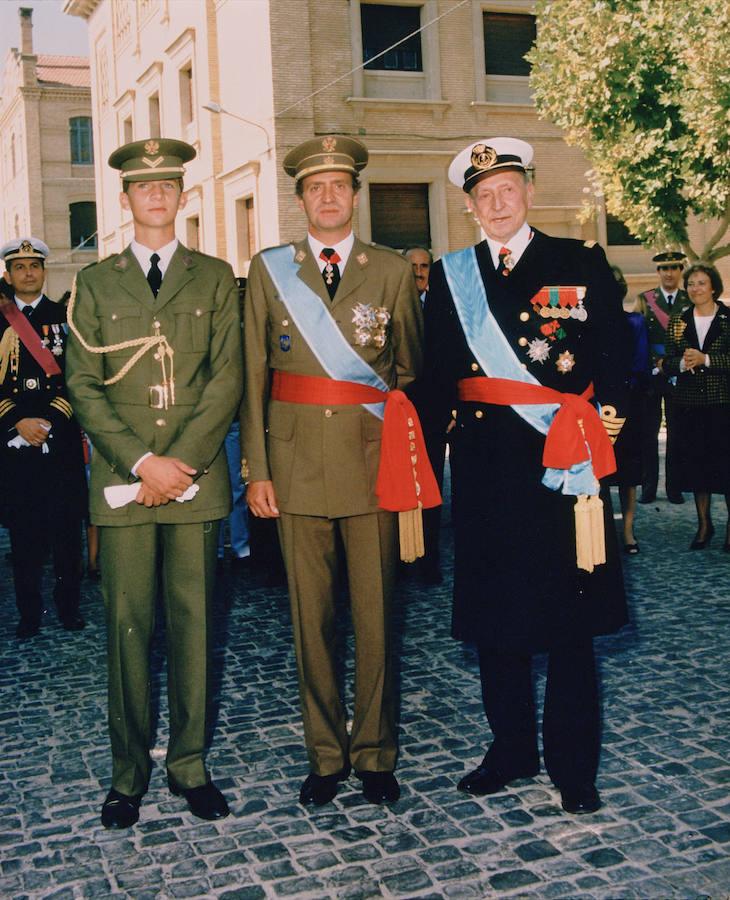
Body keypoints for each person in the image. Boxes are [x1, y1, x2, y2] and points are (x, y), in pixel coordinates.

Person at [423, 138, 630, 815]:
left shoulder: (578, 261)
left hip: (563, 468)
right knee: (496, 620)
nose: (497, 202)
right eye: (483, 195)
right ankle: (510, 748)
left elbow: (616, 359)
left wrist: (608, 428)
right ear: (470, 207)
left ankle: (575, 765)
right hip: (485, 470)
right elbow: (434, 378)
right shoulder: (453, 276)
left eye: (507, 189)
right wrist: (417, 464)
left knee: (570, 621)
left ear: (529, 192)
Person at [241, 136, 426, 807]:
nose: (327, 196)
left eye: (339, 185)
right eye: (314, 186)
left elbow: (410, 376)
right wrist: (256, 471)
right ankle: (325, 753)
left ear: (356, 194)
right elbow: (253, 375)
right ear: (299, 199)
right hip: (293, 467)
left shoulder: (391, 270)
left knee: (377, 616)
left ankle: (375, 751)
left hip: (371, 463)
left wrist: (405, 464)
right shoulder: (269, 270)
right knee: (309, 620)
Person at [66, 138, 243, 829]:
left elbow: (226, 378)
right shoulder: (96, 282)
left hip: (193, 481)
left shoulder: (213, 275)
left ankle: (190, 765)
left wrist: (182, 464)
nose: (157, 196)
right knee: (127, 632)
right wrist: (144, 463)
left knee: (196, 627)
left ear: (182, 195)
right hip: (124, 483)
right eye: (144, 188)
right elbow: (82, 384)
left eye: (168, 185)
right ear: (126, 200)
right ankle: (128, 774)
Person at [0, 237, 87, 638]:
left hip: (60, 439)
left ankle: (68, 607)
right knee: (24, 534)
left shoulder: (65, 316)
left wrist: (50, 419)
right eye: (19, 267)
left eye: (34, 265)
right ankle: (29, 613)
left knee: (67, 530)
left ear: (44, 271)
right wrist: (17, 420)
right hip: (13, 444)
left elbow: (80, 376)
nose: (28, 273)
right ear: (8, 274)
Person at [662, 263, 730, 550]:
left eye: (701, 283)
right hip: (689, 406)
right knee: (698, 466)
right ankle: (704, 524)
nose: (696, 289)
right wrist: (681, 363)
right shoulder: (678, 319)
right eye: (691, 284)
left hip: (723, 404)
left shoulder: (728, 318)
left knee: (726, 467)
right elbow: (667, 362)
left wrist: (707, 360)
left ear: (713, 286)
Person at [403, 245, 446, 584]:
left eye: (425, 266)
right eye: (413, 266)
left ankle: (428, 560)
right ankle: (401, 559)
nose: (419, 272)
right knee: (399, 485)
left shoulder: (442, 309)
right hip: (396, 412)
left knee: (430, 488)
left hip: (432, 414)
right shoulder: (390, 306)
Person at [639, 251, 690, 504]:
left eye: (674, 267)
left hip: (680, 373)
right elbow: (640, 339)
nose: (669, 273)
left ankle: (675, 488)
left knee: (678, 433)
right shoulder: (645, 299)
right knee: (649, 433)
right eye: (664, 268)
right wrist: (654, 365)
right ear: (657, 272)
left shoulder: (689, 299)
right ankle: (648, 488)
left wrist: (676, 365)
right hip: (652, 376)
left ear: (681, 270)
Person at [609, 266, 651, 554]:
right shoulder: (586, 326)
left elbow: (641, 364)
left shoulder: (635, 322)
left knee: (627, 475)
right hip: (594, 406)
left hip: (627, 403)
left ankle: (627, 533)